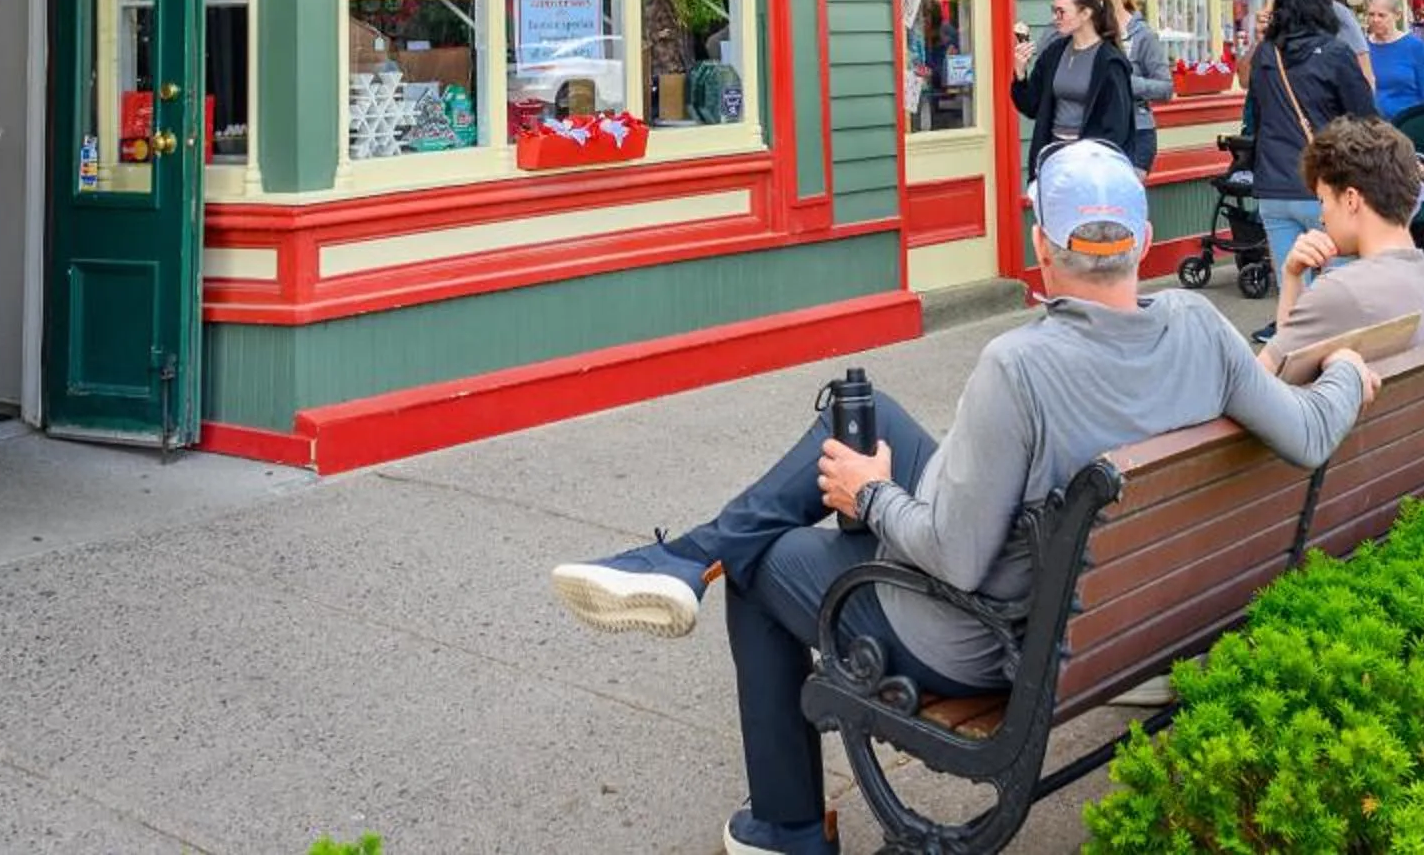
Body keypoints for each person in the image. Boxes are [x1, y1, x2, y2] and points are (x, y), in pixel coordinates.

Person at [543, 142, 1377, 855]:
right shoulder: (1198, 328)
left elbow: (954, 558)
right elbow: (1307, 434)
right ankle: (685, 561)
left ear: (1042, 246)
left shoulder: (1022, 367)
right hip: (1112, 618)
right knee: (853, 413)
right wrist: (1343, 372)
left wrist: (871, 499)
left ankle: (785, 822)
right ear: (1146, 240)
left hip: (984, 639)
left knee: (764, 560)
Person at [1262, 115, 1424, 362]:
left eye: (1323, 201)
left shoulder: (1338, 291)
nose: (1322, 218)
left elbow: (1269, 381)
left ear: (1351, 200)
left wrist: (1292, 278)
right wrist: (1293, 276)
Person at [1240, 0, 1378, 279]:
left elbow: (1257, 115)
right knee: (1338, 288)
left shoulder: (1266, 55)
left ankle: (1292, 327)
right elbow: (1365, 120)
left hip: (1274, 185)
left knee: (1292, 285)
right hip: (1325, 185)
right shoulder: (1334, 53)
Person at [1009, 0, 1136, 190]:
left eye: (1061, 12)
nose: (1055, 18)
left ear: (1085, 14)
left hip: (1092, 167)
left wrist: (1089, 163)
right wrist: (1020, 73)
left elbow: (1117, 128)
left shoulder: (1110, 62)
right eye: (1053, 10)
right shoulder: (1054, 52)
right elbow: (1031, 106)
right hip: (1053, 160)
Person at [1089, 0, 1173, 175]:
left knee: (1124, 203)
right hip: (1097, 132)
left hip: (1136, 132)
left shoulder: (1142, 35)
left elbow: (1165, 88)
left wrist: (1124, 83)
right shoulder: (1088, 32)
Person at [1254, 0, 1372, 83]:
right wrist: (1259, 41)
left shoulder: (1332, 11)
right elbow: (1246, 79)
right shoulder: (1271, 16)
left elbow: (1364, 73)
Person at [1359, 0, 1424, 120]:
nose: (1375, 20)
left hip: (1409, 125)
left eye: (1382, 15)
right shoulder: (1363, 49)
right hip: (1374, 130)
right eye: (1371, 14)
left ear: (1397, 15)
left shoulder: (1414, 47)